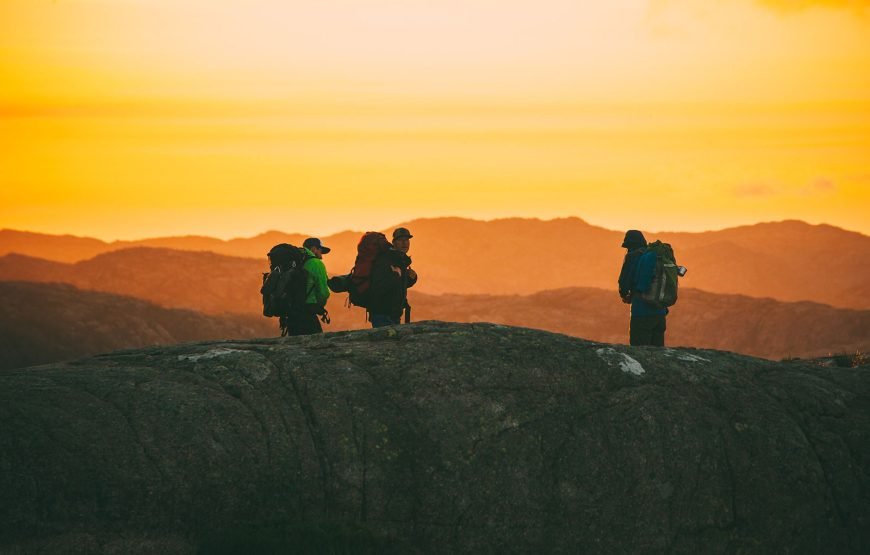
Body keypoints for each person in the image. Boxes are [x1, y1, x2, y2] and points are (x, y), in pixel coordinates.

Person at [618, 230, 668, 346]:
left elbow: (624, 283)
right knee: (658, 356)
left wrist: (625, 295)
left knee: (639, 353)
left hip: (642, 313)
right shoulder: (655, 256)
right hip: (660, 313)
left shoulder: (633, 256)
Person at [368, 227, 415, 327]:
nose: (404, 243)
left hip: (393, 315)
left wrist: (411, 278)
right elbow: (379, 286)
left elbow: (398, 285)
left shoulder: (400, 260)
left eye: (406, 240)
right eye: (401, 240)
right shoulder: (386, 259)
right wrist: (396, 276)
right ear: (394, 242)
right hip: (382, 315)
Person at [284, 238, 331, 335]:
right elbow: (323, 293)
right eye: (320, 250)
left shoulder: (297, 262)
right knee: (317, 344)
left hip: (291, 313)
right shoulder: (316, 263)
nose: (321, 256)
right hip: (307, 313)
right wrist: (318, 306)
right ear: (313, 249)